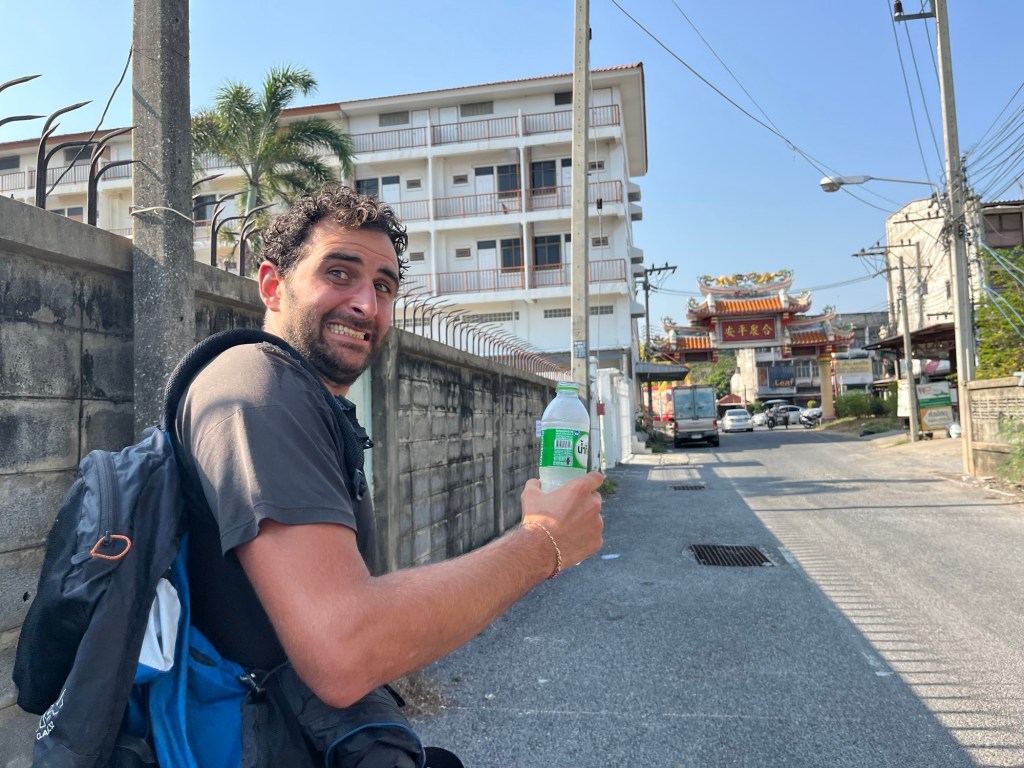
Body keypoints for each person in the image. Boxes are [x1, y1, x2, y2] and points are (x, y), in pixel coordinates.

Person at [176, 183, 605, 717]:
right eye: (338, 273)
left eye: (383, 286)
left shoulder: (303, 398)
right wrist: (543, 543)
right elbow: (344, 651)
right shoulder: (260, 392)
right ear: (272, 285)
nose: (366, 304)